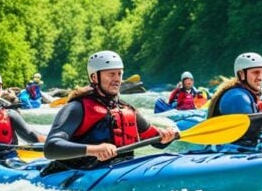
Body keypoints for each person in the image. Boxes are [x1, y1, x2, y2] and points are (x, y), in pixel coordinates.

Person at [44, 51, 177, 169]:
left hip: (121, 170)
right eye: (111, 74)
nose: (117, 79)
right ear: (94, 77)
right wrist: (94, 150)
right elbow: (51, 147)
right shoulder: (77, 108)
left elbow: (156, 140)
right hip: (79, 174)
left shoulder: (126, 109)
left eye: (119, 74)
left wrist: (166, 137)